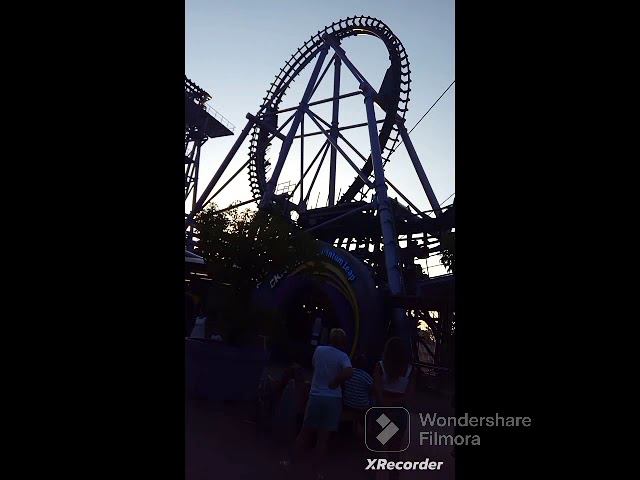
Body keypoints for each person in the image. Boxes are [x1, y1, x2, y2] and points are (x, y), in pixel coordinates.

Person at [288, 328, 353, 479]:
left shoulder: (319, 350)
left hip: (316, 395)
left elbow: (314, 365)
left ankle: (291, 462)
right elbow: (349, 372)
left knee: (305, 432)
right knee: (323, 438)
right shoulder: (343, 356)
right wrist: (336, 381)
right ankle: (316, 472)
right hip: (333, 399)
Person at [372, 337, 417, 480]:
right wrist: (396, 403)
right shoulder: (410, 370)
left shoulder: (380, 366)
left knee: (376, 448)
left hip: (382, 412)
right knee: (394, 452)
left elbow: (377, 390)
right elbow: (409, 395)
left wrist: (386, 404)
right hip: (399, 413)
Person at [342, 353, 373, 437]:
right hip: (360, 406)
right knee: (372, 403)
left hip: (347, 404)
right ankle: (366, 429)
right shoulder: (366, 376)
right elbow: (372, 389)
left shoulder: (348, 373)